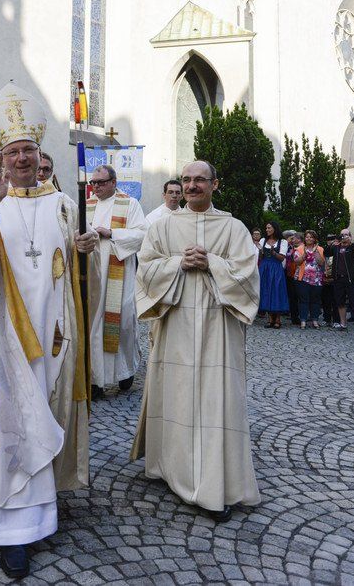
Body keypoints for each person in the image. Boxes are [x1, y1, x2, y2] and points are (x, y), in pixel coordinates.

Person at [0, 83, 91, 578]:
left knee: (46, 413)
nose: (21, 159)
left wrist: (83, 250)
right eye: (12, 152)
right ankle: (8, 528)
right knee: (12, 419)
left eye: (28, 151)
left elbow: (72, 268)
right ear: (1, 159)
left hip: (54, 335)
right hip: (8, 337)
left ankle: (40, 516)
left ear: (40, 157)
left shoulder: (63, 205)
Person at [133, 159, 261, 524]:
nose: (191, 186)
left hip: (218, 329)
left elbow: (248, 276)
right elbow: (145, 269)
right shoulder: (162, 226)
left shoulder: (234, 228)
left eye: (200, 180)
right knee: (176, 396)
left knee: (213, 400)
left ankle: (211, 483)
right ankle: (169, 467)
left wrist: (212, 264)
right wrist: (177, 263)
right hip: (175, 326)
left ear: (214, 185)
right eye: (187, 180)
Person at [86, 164, 147, 398]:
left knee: (122, 324)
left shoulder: (130, 204)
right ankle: (95, 381)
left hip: (118, 275)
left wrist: (112, 233)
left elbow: (143, 235)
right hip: (92, 275)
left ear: (113, 182)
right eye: (93, 183)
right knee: (93, 326)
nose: (96, 187)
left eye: (101, 182)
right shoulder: (86, 205)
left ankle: (125, 371)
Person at [258, 221, 289, 328]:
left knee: (276, 291)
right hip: (264, 267)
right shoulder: (263, 240)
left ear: (274, 229)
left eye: (269, 228)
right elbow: (261, 257)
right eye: (266, 228)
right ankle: (270, 319)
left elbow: (282, 258)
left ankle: (278, 320)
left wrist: (274, 253)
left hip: (276, 268)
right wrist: (261, 252)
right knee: (266, 290)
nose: (267, 230)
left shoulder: (282, 242)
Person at [332, 229, 354, 334]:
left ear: (350, 236)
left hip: (351, 279)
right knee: (340, 302)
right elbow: (327, 252)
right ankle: (343, 323)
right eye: (342, 235)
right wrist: (334, 243)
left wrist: (350, 244)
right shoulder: (336, 247)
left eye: (346, 235)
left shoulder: (353, 247)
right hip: (338, 278)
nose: (344, 237)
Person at [293, 230, 325, 329]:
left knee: (315, 300)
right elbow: (296, 262)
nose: (309, 239)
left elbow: (321, 263)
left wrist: (315, 252)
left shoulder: (320, 249)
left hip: (316, 279)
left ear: (314, 239)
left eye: (311, 237)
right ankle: (303, 320)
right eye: (307, 237)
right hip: (302, 278)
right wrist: (304, 255)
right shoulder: (299, 248)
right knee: (303, 300)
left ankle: (315, 320)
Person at [284, 231, 301, 326]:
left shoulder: (302, 247)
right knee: (292, 296)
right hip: (290, 274)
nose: (293, 240)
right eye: (291, 238)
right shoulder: (288, 247)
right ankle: (294, 316)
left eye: (294, 238)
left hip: (300, 274)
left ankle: (300, 315)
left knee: (299, 296)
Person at [321, 234, 339, 325]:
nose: (330, 241)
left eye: (332, 239)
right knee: (326, 300)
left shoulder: (338, 249)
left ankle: (336, 320)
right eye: (328, 240)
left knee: (336, 300)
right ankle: (326, 319)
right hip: (325, 277)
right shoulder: (325, 249)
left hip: (336, 278)